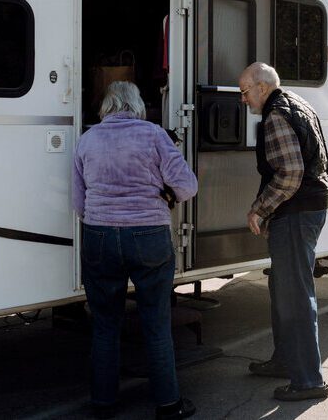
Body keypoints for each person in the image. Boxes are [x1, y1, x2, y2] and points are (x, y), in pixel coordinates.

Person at [72, 81, 198, 419]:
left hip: (99, 235)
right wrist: (164, 195)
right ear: (136, 104)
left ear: (106, 106)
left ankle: (103, 402)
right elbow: (187, 186)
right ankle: (169, 404)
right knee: (156, 323)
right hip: (147, 235)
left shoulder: (87, 139)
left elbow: (78, 202)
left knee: (105, 324)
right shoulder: (153, 135)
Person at [238, 62, 328, 401]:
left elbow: (290, 174)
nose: (243, 100)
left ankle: (308, 381)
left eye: (245, 92)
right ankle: (285, 361)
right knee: (284, 289)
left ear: (262, 87)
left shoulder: (277, 115)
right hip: (307, 208)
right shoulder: (299, 103)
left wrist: (260, 208)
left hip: (296, 212)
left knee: (295, 296)